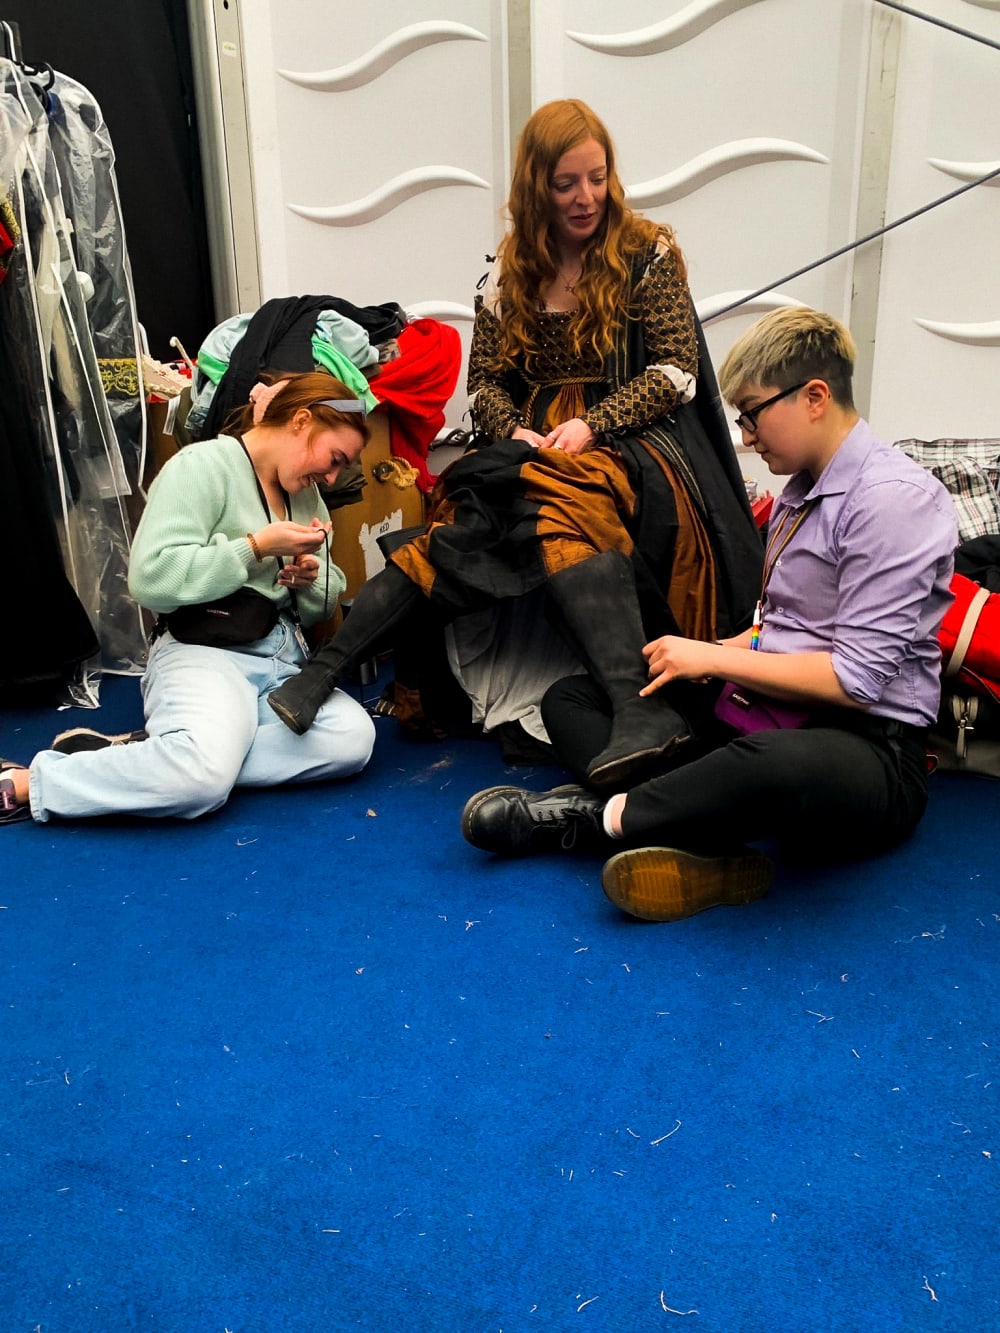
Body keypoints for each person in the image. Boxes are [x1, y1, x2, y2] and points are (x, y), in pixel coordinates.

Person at [266, 99, 762, 787]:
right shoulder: (508, 269)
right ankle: (322, 672)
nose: (586, 196)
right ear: (537, 186)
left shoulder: (649, 252)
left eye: (597, 177)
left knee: (561, 495)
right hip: (536, 437)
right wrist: (513, 429)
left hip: (637, 440)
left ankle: (633, 706)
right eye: (566, 183)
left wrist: (593, 424)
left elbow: (676, 370)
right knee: (468, 514)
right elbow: (487, 383)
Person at [460, 307, 959, 922]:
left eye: (751, 414)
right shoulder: (801, 491)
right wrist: (718, 652)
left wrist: (714, 656)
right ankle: (700, 840)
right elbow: (782, 628)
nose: (746, 436)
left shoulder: (892, 503)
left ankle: (598, 818)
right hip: (766, 710)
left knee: (775, 763)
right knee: (577, 697)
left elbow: (858, 680)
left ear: (814, 397)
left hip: (867, 751)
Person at [0, 373, 376, 826]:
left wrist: (310, 579)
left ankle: (167, 755)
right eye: (334, 458)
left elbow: (322, 604)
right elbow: (150, 580)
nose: (332, 476)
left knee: (351, 740)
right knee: (201, 780)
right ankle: (31, 780)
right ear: (300, 421)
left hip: (281, 658)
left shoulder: (304, 491)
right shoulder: (202, 465)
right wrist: (254, 548)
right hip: (204, 650)